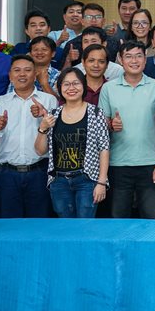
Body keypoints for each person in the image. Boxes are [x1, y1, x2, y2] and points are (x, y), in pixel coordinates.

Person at [98, 40, 155, 219]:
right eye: (128, 56)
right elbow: (101, 128)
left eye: (138, 56)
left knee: (152, 219)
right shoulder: (108, 88)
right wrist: (111, 125)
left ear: (145, 59)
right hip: (118, 164)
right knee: (118, 219)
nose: (134, 61)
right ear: (120, 60)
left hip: (150, 163)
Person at [0, 54, 58, 217]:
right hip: (7, 174)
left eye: (27, 70)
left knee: (39, 221)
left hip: (39, 171)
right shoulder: (0, 102)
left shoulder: (49, 100)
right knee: (9, 223)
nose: (22, 74)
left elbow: (57, 133)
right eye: (17, 70)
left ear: (35, 75)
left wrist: (43, 116)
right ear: (10, 75)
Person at [35, 69, 110, 218]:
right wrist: (43, 128)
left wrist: (102, 182)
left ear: (83, 86)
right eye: (66, 84)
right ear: (60, 88)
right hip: (59, 181)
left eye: (76, 83)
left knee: (85, 225)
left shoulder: (96, 113)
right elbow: (40, 151)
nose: (71, 88)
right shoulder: (53, 114)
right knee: (65, 226)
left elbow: (104, 148)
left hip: (87, 179)